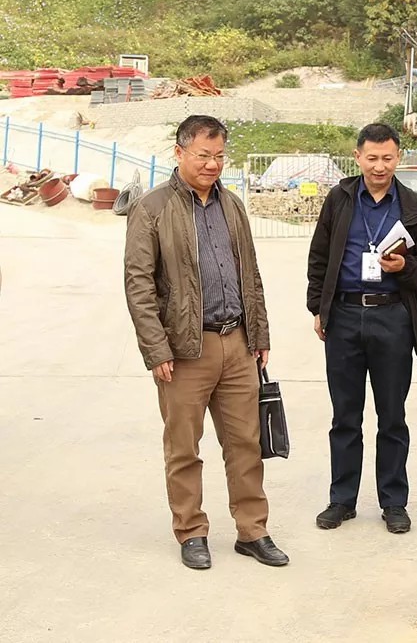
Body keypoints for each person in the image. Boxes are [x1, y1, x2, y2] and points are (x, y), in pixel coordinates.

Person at [124, 115, 288, 570]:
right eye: (203, 155)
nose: (212, 164)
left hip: (237, 343)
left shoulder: (231, 205)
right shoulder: (153, 208)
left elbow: (250, 273)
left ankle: (253, 531)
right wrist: (156, 349)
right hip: (183, 351)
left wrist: (260, 333)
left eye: (219, 156)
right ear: (179, 153)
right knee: (184, 447)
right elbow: (138, 284)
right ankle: (191, 531)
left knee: (245, 444)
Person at [307, 123, 417, 534]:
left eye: (387, 158)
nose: (379, 166)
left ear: (398, 158)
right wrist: (318, 308)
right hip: (345, 316)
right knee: (345, 416)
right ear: (358, 157)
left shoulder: (415, 208)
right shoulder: (339, 199)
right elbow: (319, 256)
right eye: (372, 158)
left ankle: (394, 502)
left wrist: (406, 267)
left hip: (393, 318)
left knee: (392, 416)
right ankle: (341, 499)